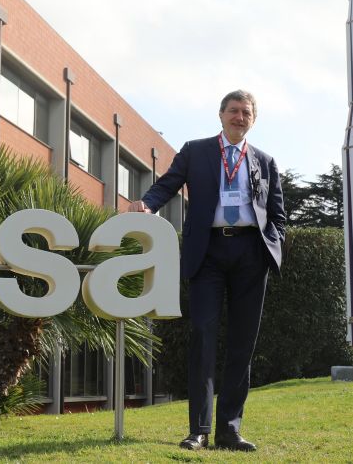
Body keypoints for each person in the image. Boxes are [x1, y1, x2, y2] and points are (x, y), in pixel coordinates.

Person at [129, 90, 285, 451]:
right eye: (234, 110)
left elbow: (277, 212)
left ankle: (229, 429)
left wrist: (273, 243)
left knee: (243, 343)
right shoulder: (195, 151)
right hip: (208, 252)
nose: (239, 117)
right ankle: (198, 429)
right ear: (221, 114)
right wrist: (148, 205)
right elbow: (167, 184)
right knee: (202, 335)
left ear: (253, 120)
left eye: (246, 113)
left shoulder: (265, 161)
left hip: (251, 253)